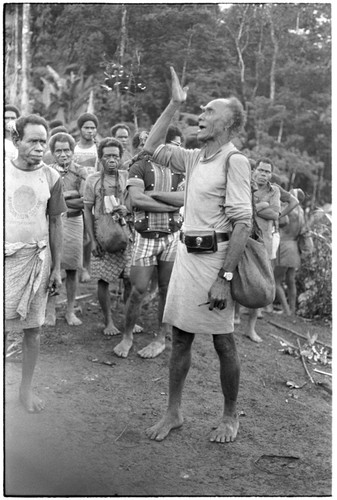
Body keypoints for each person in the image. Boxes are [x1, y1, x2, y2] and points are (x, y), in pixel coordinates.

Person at [142, 67, 252, 443]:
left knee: (223, 341)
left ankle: (230, 416)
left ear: (229, 123)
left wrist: (225, 278)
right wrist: (174, 104)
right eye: (200, 110)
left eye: (208, 111)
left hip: (215, 261)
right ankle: (173, 412)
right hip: (187, 258)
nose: (200, 116)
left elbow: (242, 225)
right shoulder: (194, 157)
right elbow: (149, 147)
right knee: (181, 337)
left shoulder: (234, 161)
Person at [5, 114, 67, 413]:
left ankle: (25, 390)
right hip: (5, 262)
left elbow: (55, 222)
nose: (40, 147)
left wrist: (55, 268)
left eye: (44, 141)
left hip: (37, 261)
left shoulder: (52, 177)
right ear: (16, 141)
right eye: (33, 141)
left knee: (33, 330)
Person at [113, 131, 185, 359]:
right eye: (170, 145)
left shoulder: (180, 169)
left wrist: (152, 194)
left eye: (177, 146)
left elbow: (185, 199)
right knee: (137, 290)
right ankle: (127, 336)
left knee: (166, 289)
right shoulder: (139, 167)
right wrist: (169, 205)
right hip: (145, 237)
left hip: (172, 236)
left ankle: (161, 338)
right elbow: (137, 199)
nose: (173, 150)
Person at [83, 137, 133, 336]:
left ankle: (130, 320)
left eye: (115, 156)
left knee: (130, 279)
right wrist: (93, 240)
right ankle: (108, 321)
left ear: (121, 158)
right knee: (103, 279)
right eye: (107, 156)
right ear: (100, 158)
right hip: (102, 235)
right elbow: (87, 210)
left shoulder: (127, 177)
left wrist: (126, 209)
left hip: (126, 234)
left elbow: (135, 203)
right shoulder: (92, 180)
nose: (112, 160)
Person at [44, 132, 88, 326]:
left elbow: (85, 201)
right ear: (53, 153)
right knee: (52, 266)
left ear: (73, 151)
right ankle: (50, 311)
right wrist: (73, 195)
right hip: (53, 224)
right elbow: (46, 200)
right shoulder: (47, 172)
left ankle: (70, 310)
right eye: (59, 151)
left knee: (72, 269)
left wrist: (61, 197)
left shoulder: (81, 172)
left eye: (67, 150)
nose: (63, 154)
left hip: (74, 222)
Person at [243, 157, 280, 342]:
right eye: (261, 170)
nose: (263, 174)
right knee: (236, 275)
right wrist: (262, 206)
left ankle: (251, 328)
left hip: (262, 243)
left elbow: (275, 214)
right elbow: (240, 208)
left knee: (260, 283)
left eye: (267, 171)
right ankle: (233, 317)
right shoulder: (244, 184)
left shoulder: (275, 191)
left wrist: (255, 208)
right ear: (254, 170)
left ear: (271, 174)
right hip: (241, 237)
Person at [273, 188, 311, 315]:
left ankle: (286, 310)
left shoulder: (290, 211)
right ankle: (292, 310)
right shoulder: (301, 213)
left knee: (276, 281)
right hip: (294, 247)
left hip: (284, 246)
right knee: (290, 280)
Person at [74, 112, 99, 283]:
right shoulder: (74, 149)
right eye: (86, 127)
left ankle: (87, 267)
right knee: (78, 231)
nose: (90, 131)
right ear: (80, 129)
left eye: (93, 128)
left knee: (91, 233)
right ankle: (77, 266)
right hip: (77, 194)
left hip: (95, 193)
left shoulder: (98, 148)